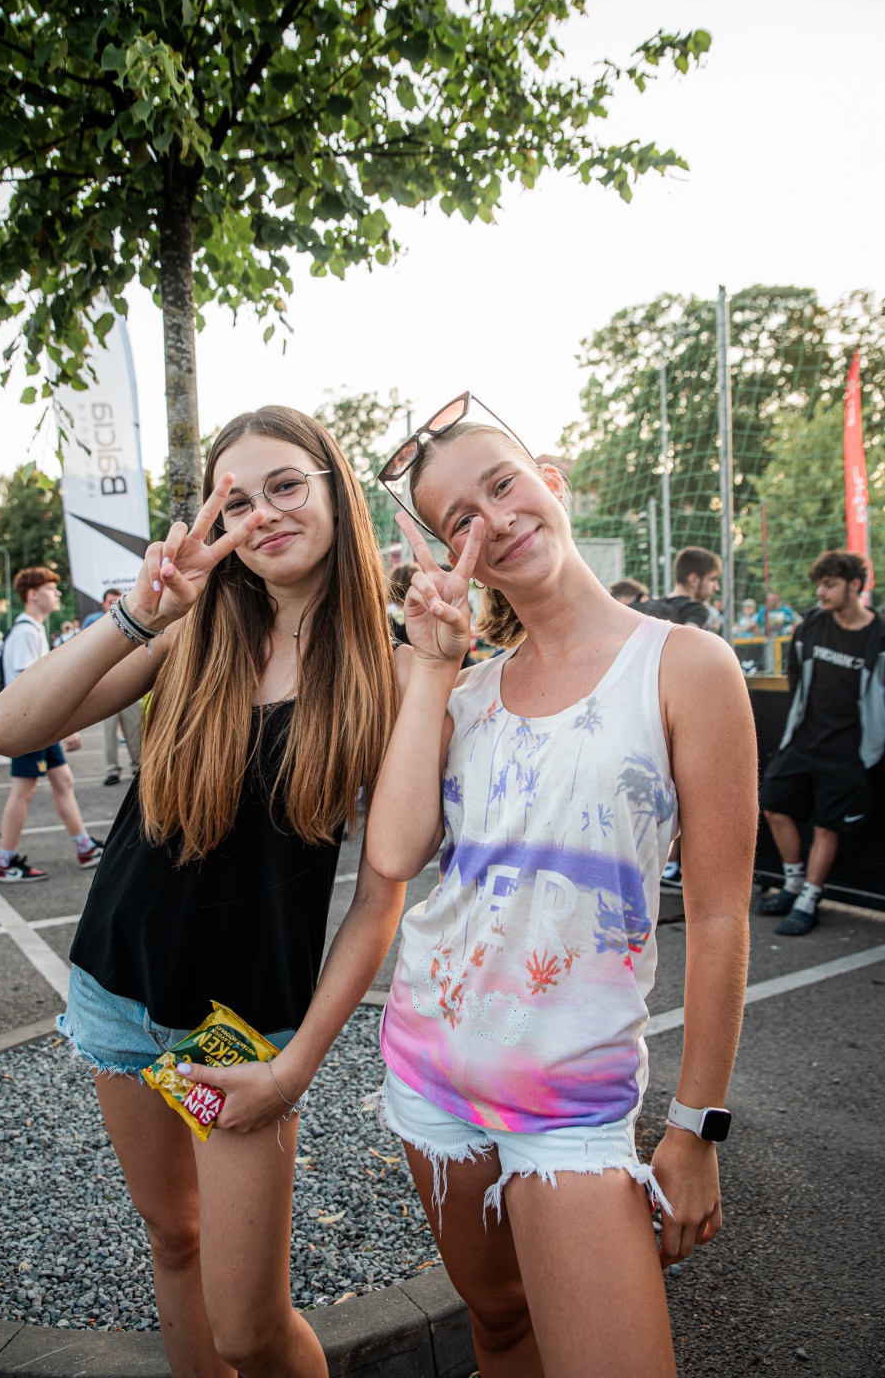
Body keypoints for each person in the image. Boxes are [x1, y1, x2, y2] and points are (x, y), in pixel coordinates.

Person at [0, 407, 408, 1378]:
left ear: (335, 490)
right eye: (237, 499)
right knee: (173, 1240)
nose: (264, 513)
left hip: (238, 1029)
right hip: (115, 990)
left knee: (251, 1330)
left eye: (286, 485)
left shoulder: (387, 671)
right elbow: (6, 729)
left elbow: (379, 899)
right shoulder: (191, 632)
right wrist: (141, 612)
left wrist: (295, 1066)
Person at [365, 403, 758, 1378]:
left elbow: (719, 916)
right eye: (458, 519)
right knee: (499, 1327)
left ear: (548, 477)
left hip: (572, 1104)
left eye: (500, 485)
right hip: (431, 1074)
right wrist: (433, 663)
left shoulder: (684, 666)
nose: (492, 521)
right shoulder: (463, 691)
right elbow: (398, 850)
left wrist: (696, 1125)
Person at [757, 550, 884, 936]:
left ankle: (809, 899)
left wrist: (869, 749)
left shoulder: (878, 636)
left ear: (855, 585)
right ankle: (793, 882)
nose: (821, 592)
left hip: (848, 751)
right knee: (773, 805)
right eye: (819, 585)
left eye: (829, 584)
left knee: (827, 827)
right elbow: (796, 677)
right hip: (803, 740)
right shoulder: (811, 626)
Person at [0, 567, 104, 883]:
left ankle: (84, 847)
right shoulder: (26, 632)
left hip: (38, 726)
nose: (57, 593)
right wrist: (65, 725)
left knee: (63, 780)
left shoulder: (33, 629)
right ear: (32, 595)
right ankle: (6, 862)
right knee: (23, 791)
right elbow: (31, 690)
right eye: (50, 589)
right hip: (29, 726)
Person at [83, 589, 143, 786]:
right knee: (109, 729)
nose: (114, 604)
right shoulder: (94, 623)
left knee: (134, 726)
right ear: (103, 604)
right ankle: (112, 769)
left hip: (128, 681)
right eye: (111, 601)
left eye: (118, 600)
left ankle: (138, 766)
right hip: (104, 684)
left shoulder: (133, 619)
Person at [664, 546, 722, 629]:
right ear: (693, 579)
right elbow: (686, 634)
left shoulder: (652, 606)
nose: (717, 588)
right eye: (712, 579)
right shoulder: (696, 610)